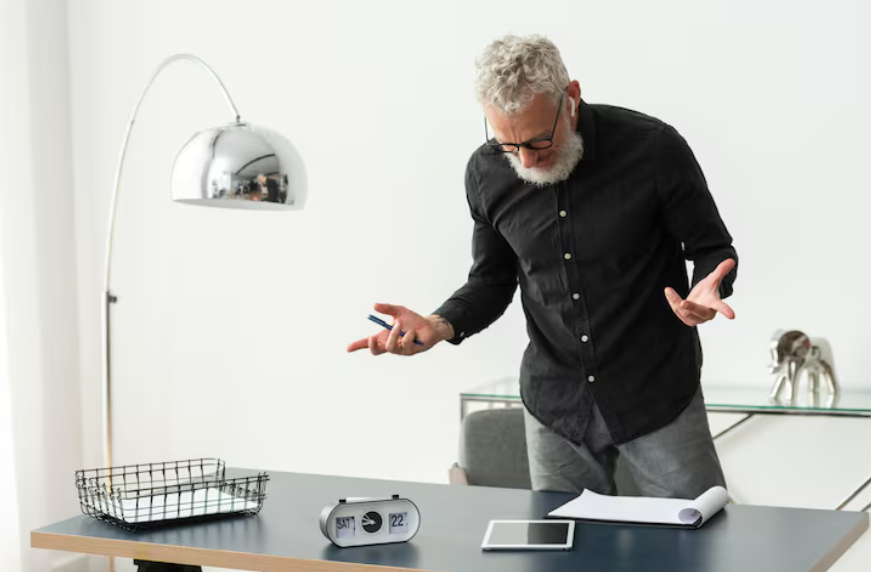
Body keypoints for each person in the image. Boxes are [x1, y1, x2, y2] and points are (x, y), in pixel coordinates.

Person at [347, 34, 738, 499]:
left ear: (570, 98)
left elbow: (712, 247)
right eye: (509, 145)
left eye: (538, 141)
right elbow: (491, 280)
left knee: (698, 535)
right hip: (556, 405)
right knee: (561, 543)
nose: (527, 161)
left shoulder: (653, 148)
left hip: (656, 394)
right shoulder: (485, 173)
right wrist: (439, 323)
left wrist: (707, 289)